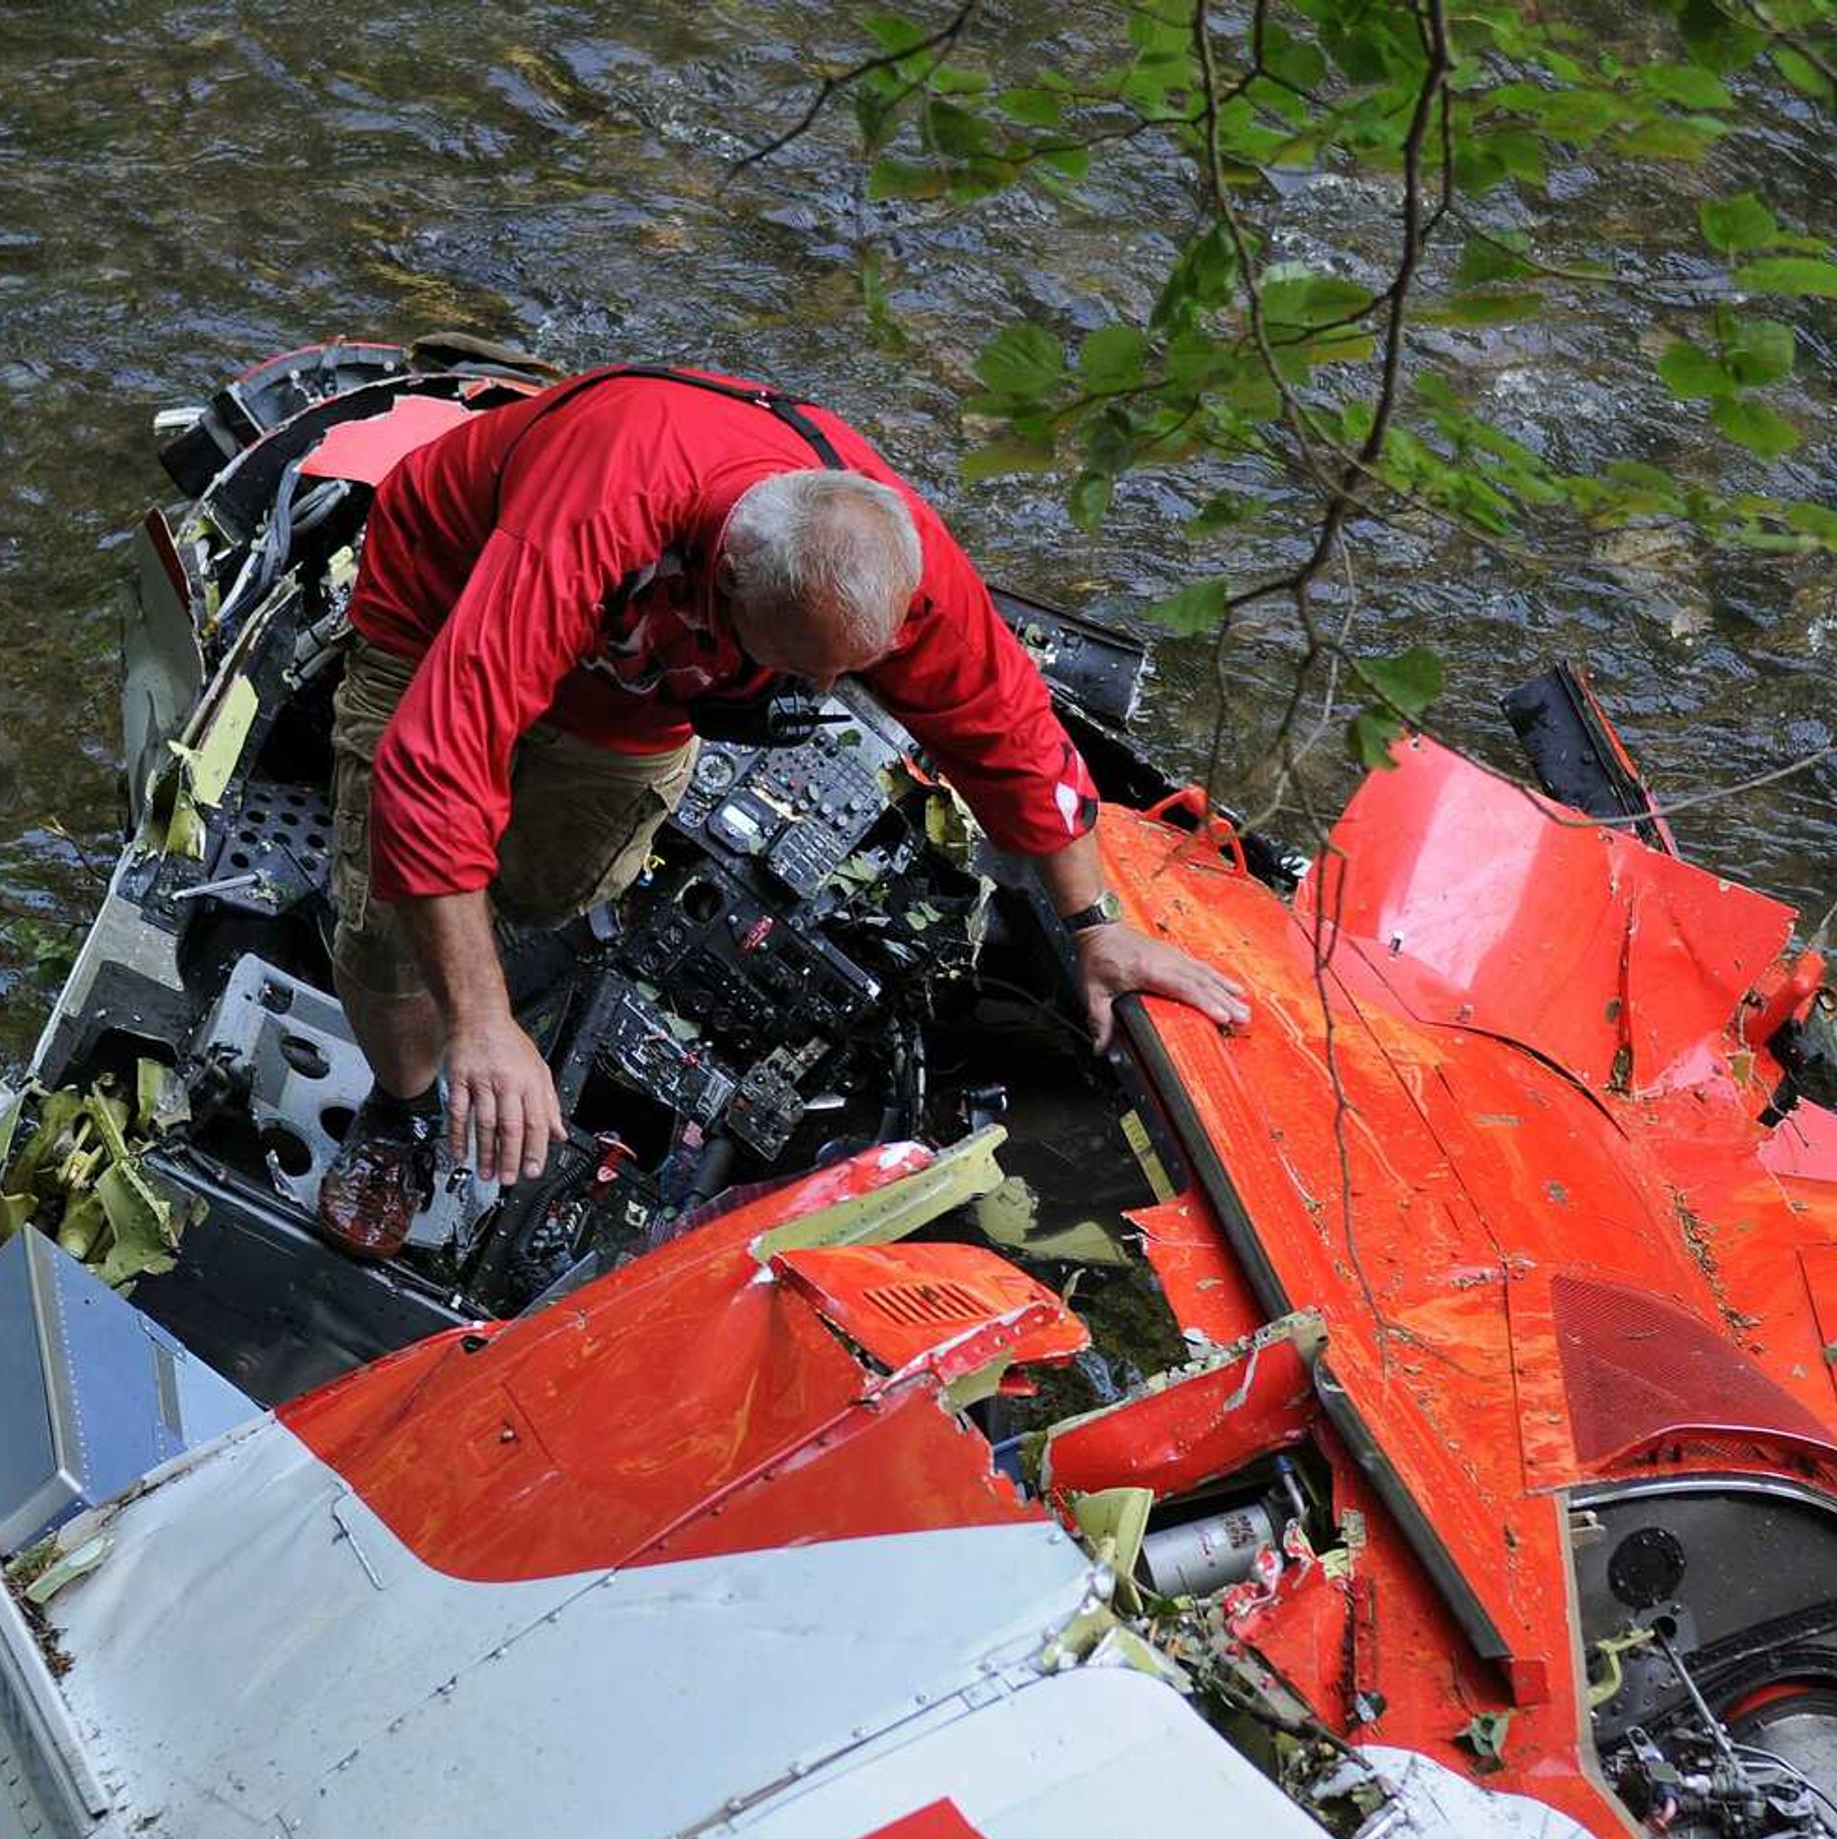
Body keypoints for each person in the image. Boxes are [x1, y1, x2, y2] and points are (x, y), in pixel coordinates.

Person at [316, 364, 1248, 1259]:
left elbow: (1009, 732)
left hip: (633, 689)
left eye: (846, 671)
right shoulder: (603, 511)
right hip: (441, 608)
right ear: (723, 582)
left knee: (556, 879)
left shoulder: (897, 564)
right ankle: (398, 1108)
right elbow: (435, 760)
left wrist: (1095, 928)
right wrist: (480, 1022)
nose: (824, 692)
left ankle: (471, 939)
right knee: (396, 918)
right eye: (803, 668)